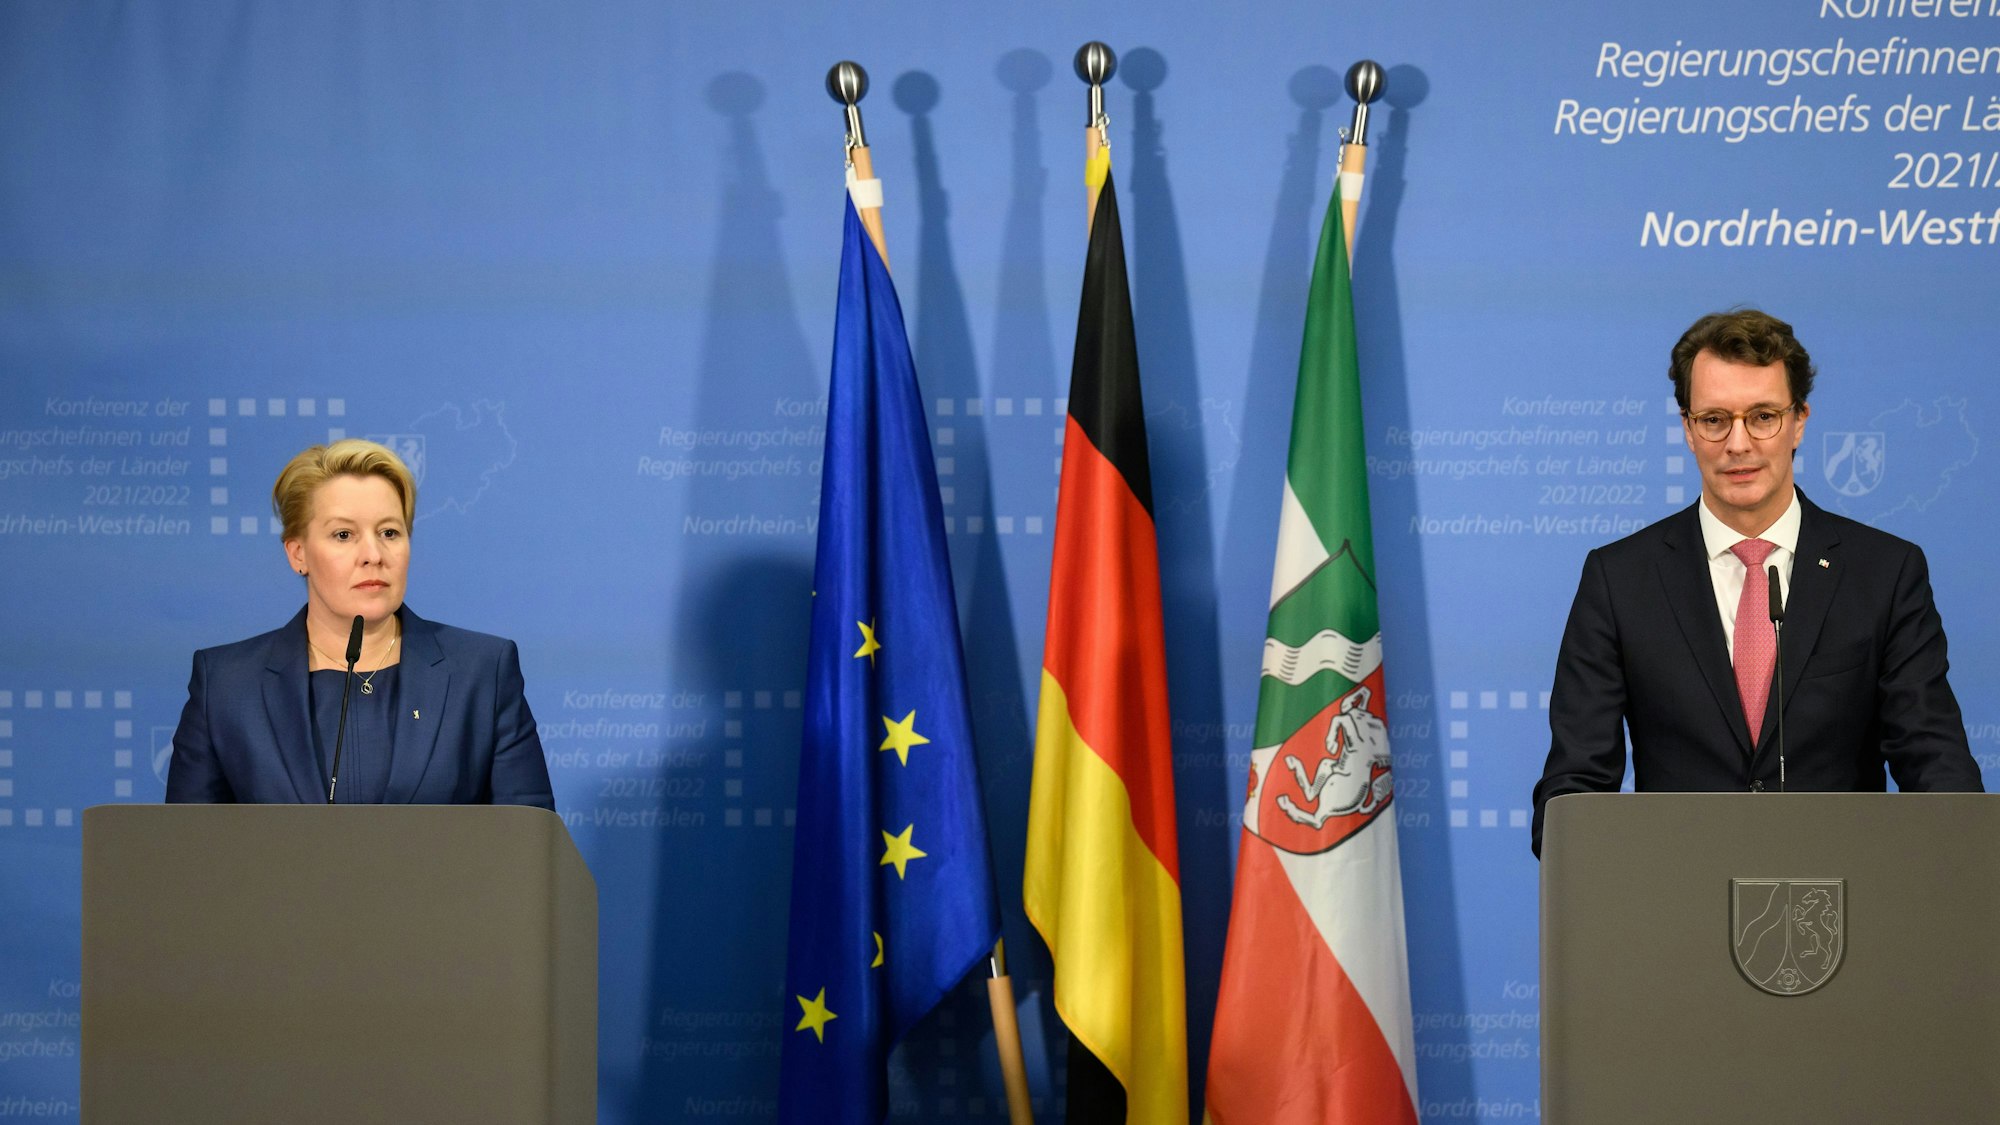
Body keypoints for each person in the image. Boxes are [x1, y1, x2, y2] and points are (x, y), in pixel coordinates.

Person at [1532, 309, 1982, 855]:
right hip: (1676, 892)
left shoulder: (1885, 573)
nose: (1738, 444)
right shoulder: (1620, 580)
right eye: (1714, 419)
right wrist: (1586, 867)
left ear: (1800, 421)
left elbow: (1933, 759)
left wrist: (1963, 862)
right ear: (1687, 429)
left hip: (1839, 892)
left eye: (1763, 416)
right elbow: (1575, 787)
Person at [167, 439, 555, 809]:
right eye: (343, 534)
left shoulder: (482, 673)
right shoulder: (227, 685)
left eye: (389, 532)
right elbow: (187, 847)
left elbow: (530, 843)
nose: (373, 554)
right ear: (298, 553)